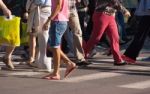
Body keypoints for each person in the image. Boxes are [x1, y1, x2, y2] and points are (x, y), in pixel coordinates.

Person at [84, 0, 131, 65]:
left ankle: (118, 60)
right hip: (101, 15)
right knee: (96, 38)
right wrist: (124, 10)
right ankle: (83, 55)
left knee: (115, 38)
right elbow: (113, 1)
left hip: (111, 16)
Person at [42, 0, 76, 80]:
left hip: (58, 21)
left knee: (55, 47)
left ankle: (56, 73)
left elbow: (58, 6)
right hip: (60, 20)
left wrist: (49, 20)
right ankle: (69, 63)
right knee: (51, 46)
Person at [25, 0, 52, 72]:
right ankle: (39, 62)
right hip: (43, 9)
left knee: (42, 36)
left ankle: (44, 64)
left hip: (42, 9)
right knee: (41, 37)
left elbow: (40, 1)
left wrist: (31, 3)